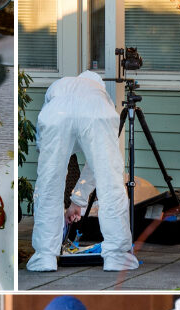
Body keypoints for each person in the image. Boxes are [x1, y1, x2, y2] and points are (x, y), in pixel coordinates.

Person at [26, 70, 139, 273]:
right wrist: (78, 199)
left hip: (56, 116)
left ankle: (44, 256)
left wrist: (77, 201)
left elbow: (42, 139)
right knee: (111, 185)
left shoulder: (60, 84)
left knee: (48, 185)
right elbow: (97, 168)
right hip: (96, 115)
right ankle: (117, 257)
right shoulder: (100, 96)